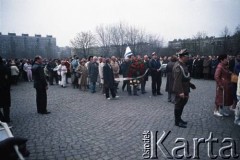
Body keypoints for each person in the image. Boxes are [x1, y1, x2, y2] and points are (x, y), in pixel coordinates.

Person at [172, 49, 196, 128]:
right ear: (181, 57)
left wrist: (190, 84)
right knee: (178, 104)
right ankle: (177, 121)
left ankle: (179, 119)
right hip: (181, 89)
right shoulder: (178, 66)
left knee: (182, 104)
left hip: (185, 88)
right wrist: (180, 92)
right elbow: (177, 80)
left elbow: (185, 77)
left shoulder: (183, 64)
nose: (188, 58)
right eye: (186, 56)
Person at [0, 56, 11, 122]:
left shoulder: (5, 67)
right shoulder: (5, 67)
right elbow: (9, 78)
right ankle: (7, 118)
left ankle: (2, 118)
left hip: (3, 87)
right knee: (6, 105)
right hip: (5, 89)